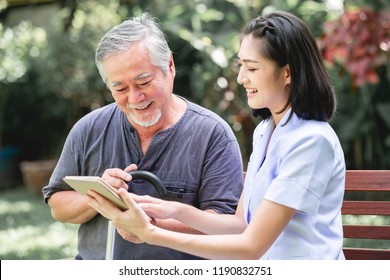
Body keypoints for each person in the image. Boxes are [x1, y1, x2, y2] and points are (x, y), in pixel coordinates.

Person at [86, 11, 346, 260]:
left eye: (252, 68)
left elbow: (251, 246)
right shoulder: (267, 131)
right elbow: (239, 223)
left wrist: (151, 234)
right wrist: (173, 210)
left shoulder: (312, 141)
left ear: (287, 72)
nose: (242, 77)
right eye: (241, 65)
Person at [42, 13, 244, 260]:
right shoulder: (88, 129)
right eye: (120, 89)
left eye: (144, 82)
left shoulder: (213, 135)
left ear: (170, 67)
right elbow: (58, 205)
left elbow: (228, 228)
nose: (135, 98)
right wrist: (98, 196)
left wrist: (151, 227)